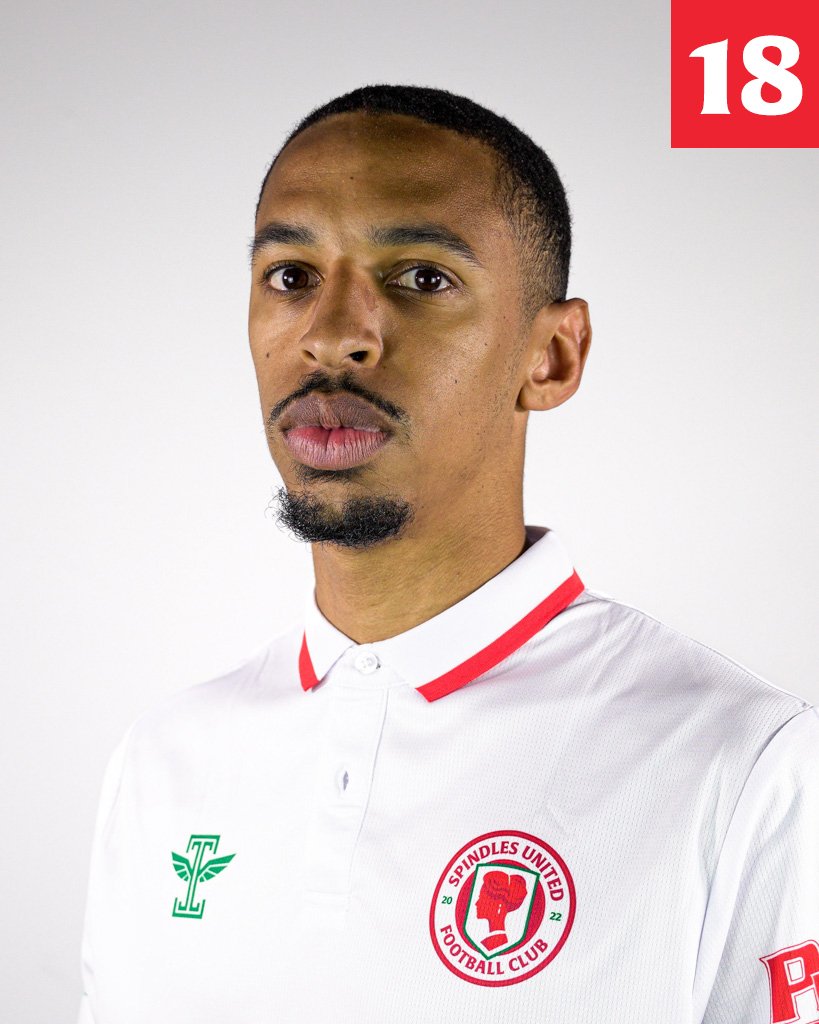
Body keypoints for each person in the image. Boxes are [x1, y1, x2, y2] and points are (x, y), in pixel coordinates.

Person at [77, 84, 819, 1024]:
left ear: (550, 356)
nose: (332, 336)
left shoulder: (743, 762)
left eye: (421, 277)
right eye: (291, 275)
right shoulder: (160, 763)